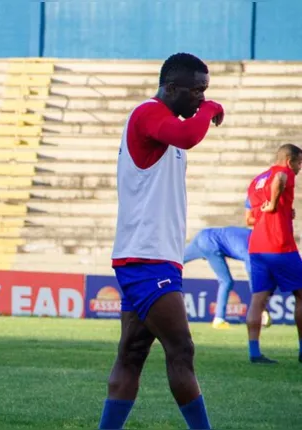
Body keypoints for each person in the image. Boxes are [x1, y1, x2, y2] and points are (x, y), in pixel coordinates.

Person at [100, 53, 224, 430]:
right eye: (196, 91)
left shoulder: (163, 122)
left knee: (133, 353)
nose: (201, 99)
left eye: (206, 92)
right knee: (181, 349)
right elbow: (189, 135)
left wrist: (202, 108)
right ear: (171, 88)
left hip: (152, 255)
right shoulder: (148, 113)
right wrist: (212, 109)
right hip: (146, 257)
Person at [245, 143, 302, 364]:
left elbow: (251, 218)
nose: (299, 168)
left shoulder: (257, 180)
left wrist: (284, 210)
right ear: (289, 161)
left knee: (258, 300)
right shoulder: (283, 172)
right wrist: (275, 205)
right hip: (279, 245)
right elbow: (280, 180)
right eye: (299, 162)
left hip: (257, 246)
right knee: (300, 295)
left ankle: (254, 352)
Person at [183, 226, 256, 329]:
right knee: (226, 281)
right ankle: (218, 319)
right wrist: (259, 300)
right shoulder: (251, 246)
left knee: (176, 261)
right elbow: (253, 272)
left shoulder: (252, 236)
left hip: (203, 235)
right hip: (211, 243)